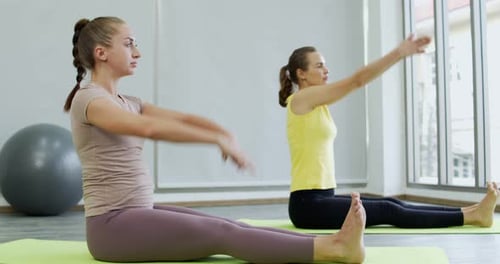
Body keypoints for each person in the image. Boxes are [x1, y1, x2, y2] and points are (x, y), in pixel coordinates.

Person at [64, 16, 367, 263]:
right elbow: (147, 128)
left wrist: (222, 133)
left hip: (138, 213)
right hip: (112, 227)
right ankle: (334, 251)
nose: (138, 52)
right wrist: (216, 142)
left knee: (234, 225)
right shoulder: (90, 100)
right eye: (129, 44)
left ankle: (332, 241)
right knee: (222, 233)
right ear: (101, 53)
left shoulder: (127, 100)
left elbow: (182, 119)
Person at [278, 36, 499, 229]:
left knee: (393, 203)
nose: (326, 70)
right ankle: (471, 217)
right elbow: (357, 80)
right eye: (319, 66)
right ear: (302, 74)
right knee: (388, 210)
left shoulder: (318, 104)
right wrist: (398, 53)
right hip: (308, 205)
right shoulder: (301, 98)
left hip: (323, 198)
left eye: (325, 65)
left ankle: (472, 212)